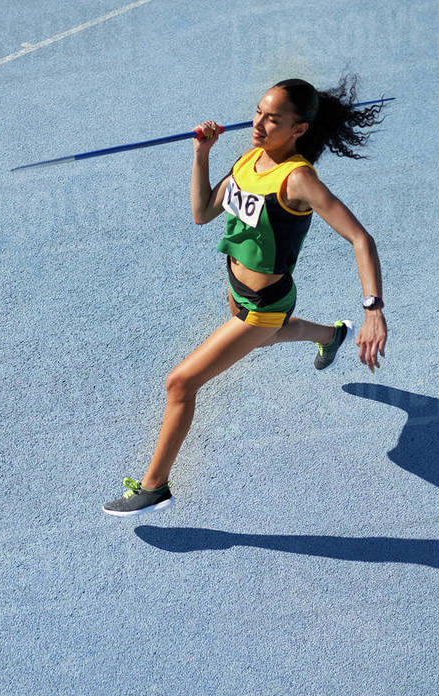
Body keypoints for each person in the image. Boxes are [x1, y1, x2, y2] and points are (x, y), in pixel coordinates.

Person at [103, 76, 388, 517]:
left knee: (180, 383)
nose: (258, 124)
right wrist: (202, 153)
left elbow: (360, 239)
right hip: (236, 289)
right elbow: (202, 214)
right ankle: (331, 336)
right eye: (258, 112)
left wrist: (373, 311)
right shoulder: (248, 159)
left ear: (298, 130)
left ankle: (154, 486)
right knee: (269, 337)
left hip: (266, 303)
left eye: (273, 119)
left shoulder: (298, 179)